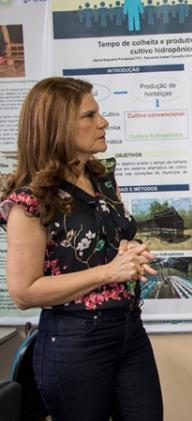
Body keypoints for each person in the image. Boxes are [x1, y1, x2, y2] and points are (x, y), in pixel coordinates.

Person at [0, 77, 163, 420]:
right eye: (90, 116)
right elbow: (24, 292)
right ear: (57, 127)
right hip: (74, 342)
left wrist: (130, 251)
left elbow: (105, 241)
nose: (102, 122)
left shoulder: (101, 177)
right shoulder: (30, 201)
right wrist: (110, 271)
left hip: (129, 330)